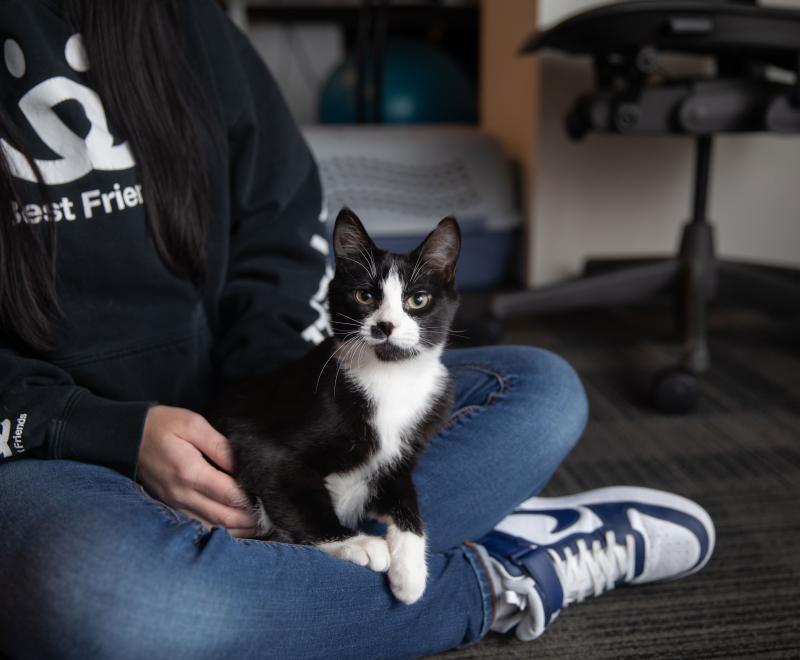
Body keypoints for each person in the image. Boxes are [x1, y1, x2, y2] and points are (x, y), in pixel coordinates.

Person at [0, 1, 715, 658]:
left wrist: (275, 402)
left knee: (546, 392)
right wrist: (98, 430)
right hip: (55, 455)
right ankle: (498, 573)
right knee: (111, 608)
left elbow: (276, 226)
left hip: (255, 422)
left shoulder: (182, 20)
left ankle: (254, 567)